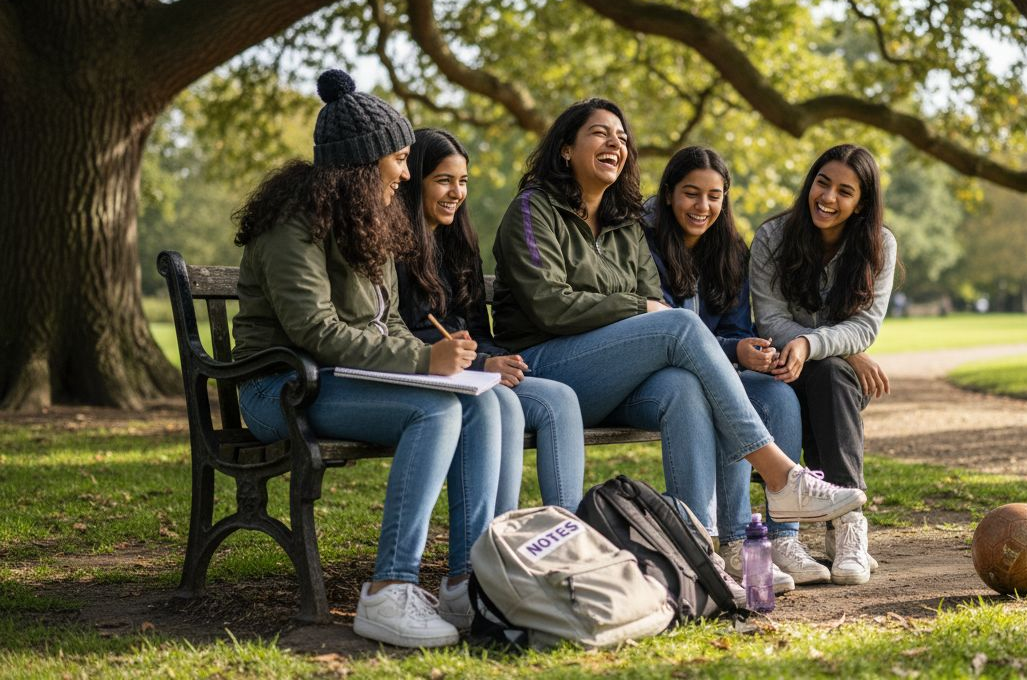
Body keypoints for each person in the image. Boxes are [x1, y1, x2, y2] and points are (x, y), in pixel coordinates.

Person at [490, 98, 867, 552]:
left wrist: (640, 309)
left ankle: (701, 546)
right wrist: (635, 309)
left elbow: (649, 300)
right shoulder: (533, 210)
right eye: (600, 133)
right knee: (681, 325)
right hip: (541, 364)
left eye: (622, 137)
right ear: (566, 149)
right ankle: (781, 475)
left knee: (686, 389)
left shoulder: (622, 221)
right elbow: (552, 307)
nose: (615, 142)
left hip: (611, 378)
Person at [231, 70, 489, 648]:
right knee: (437, 412)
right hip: (279, 389)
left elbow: (388, 322)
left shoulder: (368, 221)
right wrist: (425, 364)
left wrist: (434, 354)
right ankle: (387, 591)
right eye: (398, 158)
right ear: (362, 162)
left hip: (339, 380)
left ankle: (464, 581)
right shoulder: (289, 224)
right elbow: (313, 329)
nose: (405, 171)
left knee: (482, 406)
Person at [394, 127, 586, 628]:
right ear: (413, 183)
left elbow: (478, 330)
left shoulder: (458, 244)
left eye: (462, 181)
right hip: (425, 374)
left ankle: (571, 556)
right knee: (499, 402)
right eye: (443, 181)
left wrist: (497, 360)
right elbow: (403, 334)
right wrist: (482, 366)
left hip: (473, 370)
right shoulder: (392, 247)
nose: (456, 193)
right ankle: (481, 571)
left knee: (559, 398)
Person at [640, 145, 828, 588]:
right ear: (668, 195)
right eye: (691, 193)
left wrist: (749, 349)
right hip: (661, 377)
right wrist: (732, 352)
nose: (702, 207)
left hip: (720, 369)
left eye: (714, 196)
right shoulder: (643, 245)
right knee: (713, 387)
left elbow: (737, 327)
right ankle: (730, 541)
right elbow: (658, 333)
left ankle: (782, 539)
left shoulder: (728, 251)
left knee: (777, 393)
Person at [750, 144, 901, 586]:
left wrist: (812, 343)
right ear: (810, 183)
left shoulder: (880, 246)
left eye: (844, 191)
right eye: (822, 183)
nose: (828, 198)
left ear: (861, 205)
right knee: (819, 375)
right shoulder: (773, 237)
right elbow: (769, 318)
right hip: (780, 366)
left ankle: (849, 526)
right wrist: (831, 345)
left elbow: (866, 326)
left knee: (831, 374)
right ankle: (811, 531)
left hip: (830, 376)